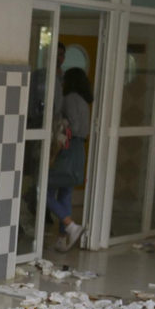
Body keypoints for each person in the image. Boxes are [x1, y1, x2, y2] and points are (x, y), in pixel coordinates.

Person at [47, 66, 92, 251]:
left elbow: (69, 127)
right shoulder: (83, 102)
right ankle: (63, 239)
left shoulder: (69, 99)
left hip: (67, 149)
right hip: (79, 148)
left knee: (44, 191)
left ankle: (70, 225)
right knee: (65, 192)